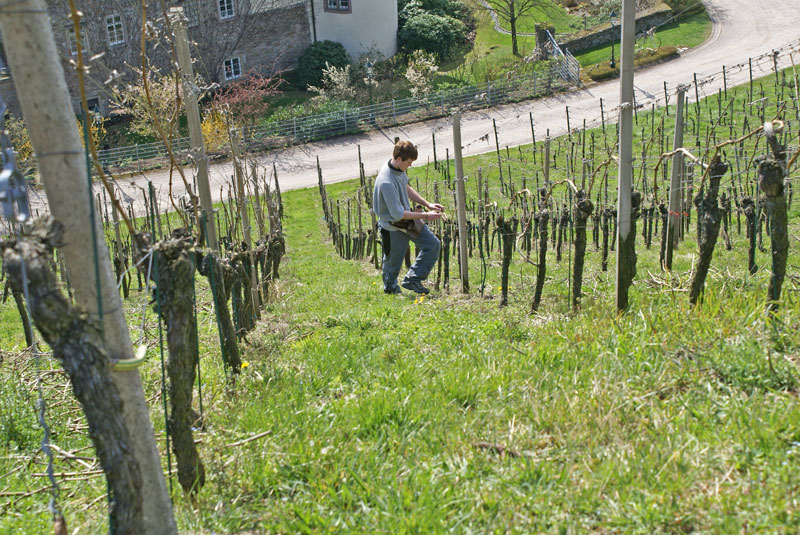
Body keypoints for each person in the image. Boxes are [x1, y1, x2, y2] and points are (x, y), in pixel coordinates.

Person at [372, 140, 444, 295]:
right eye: (409, 162)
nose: (410, 165)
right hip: (392, 225)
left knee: (432, 244)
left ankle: (412, 280)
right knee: (393, 262)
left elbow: (406, 187)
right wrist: (426, 215)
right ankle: (391, 290)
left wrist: (427, 204)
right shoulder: (386, 182)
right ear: (399, 159)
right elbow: (398, 215)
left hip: (406, 220)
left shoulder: (398, 169)